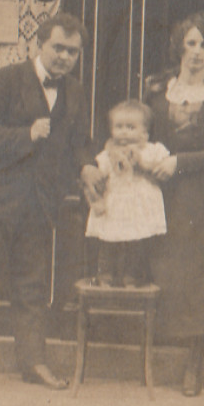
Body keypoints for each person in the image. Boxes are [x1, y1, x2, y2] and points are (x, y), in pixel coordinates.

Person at [0, 12, 101, 392]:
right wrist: (27, 134)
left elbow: (79, 142)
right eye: (58, 48)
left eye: (73, 52)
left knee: (33, 288)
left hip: (40, 204)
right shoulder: (6, 79)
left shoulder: (74, 90)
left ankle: (33, 362)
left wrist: (87, 166)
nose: (65, 57)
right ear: (39, 44)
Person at [144, 12, 204, 396]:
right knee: (167, 271)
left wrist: (179, 163)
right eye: (191, 43)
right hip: (162, 196)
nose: (198, 52)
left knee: (202, 280)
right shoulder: (155, 90)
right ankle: (153, 359)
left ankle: (193, 363)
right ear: (179, 46)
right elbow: (141, 132)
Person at [85, 99, 170, 287]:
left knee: (136, 242)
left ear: (145, 133)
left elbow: (162, 170)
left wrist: (143, 163)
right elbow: (100, 173)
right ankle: (106, 274)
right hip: (116, 203)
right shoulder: (109, 153)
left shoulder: (152, 150)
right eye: (119, 126)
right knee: (109, 240)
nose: (123, 131)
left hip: (140, 205)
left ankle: (132, 276)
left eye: (130, 127)